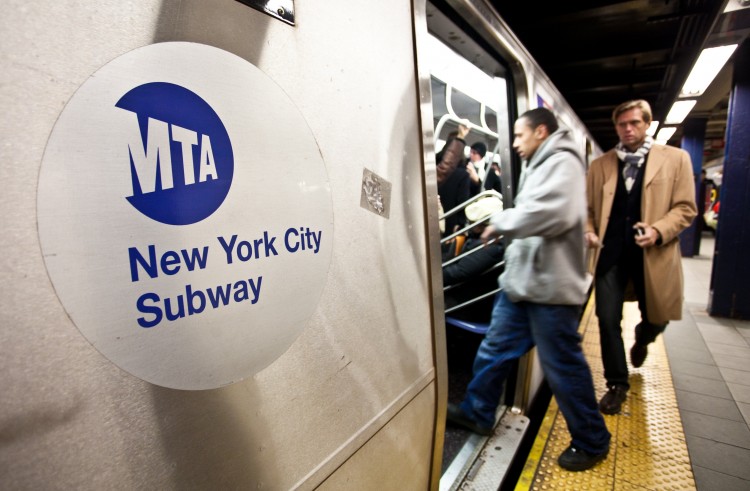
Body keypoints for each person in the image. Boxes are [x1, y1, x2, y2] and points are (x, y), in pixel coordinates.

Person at [447, 107, 611, 472]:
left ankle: (592, 439)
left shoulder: (563, 162)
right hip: (523, 284)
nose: (516, 144)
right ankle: (478, 412)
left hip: (550, 291)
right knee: (494, 350)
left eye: (519, 136)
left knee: (562, 366)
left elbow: (554, 214)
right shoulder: (542, 162)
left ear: (540, 131)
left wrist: (502, 222)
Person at [585, 99, 697, 415]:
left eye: (634, 123)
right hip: (611, 255)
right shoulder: (600, 165)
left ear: (647, 124)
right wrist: (589, 230)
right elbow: (588, 211)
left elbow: (686, 208)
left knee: (658, 318)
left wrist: (659, 230)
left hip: (654, 255)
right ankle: (617, 383)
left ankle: (643, 338)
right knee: (606, 319)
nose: (628, 129)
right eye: (622, 124)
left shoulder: (676, 159)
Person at [437, 124, 471, 234]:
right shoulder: (463, 174)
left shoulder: (432, 164)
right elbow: (462, 201)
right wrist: (461, 223)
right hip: (451, 221)